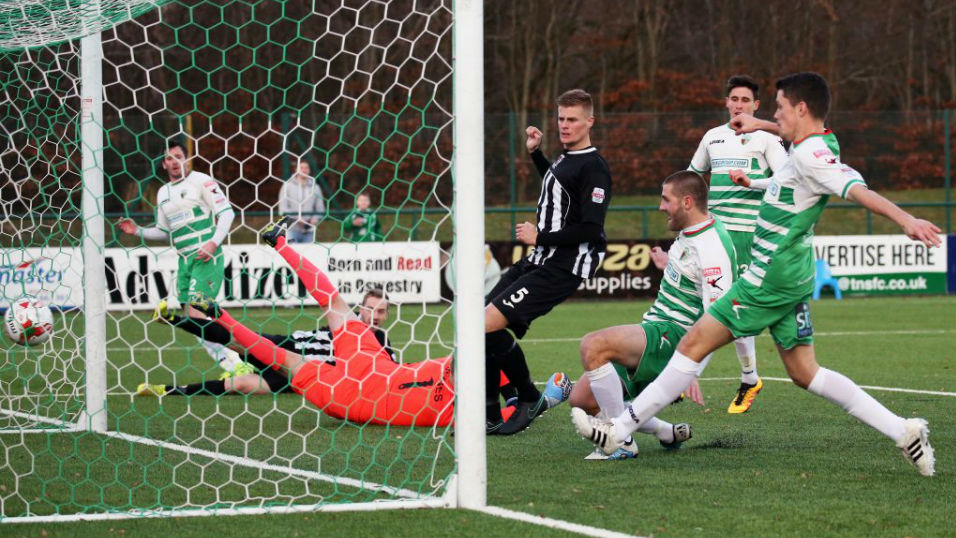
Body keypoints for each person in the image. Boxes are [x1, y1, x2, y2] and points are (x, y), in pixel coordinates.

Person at [573, 73, 940, 476]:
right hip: (791, 277)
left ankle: (619, 430)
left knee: (693, 344)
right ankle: (904, 431)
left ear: (800, 109)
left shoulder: (810, 156)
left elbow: (854, 187)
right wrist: (761, 124)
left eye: (779, 108)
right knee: (805, 373)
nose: (774, 114)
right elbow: (808, 147)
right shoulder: (815, 142)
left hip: (768, 277)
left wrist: (906, 220)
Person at [178, 216, 571, 427]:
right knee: (275, 356)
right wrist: (552, 394)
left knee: (277, 354)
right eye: (375, 310)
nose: (377, 315)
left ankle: (216, 310)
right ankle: (531, 397)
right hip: (391, 389)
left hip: (376, 384)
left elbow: (284, 343)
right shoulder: (458, 404)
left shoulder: (362, 367)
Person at [570, 171, 737, 459]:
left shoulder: (712, 247)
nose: (660, 207)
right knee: (581, 399)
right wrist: (667, 265)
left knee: (593, 345)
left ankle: (620, 442)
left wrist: (690, 366)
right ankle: (666, 432)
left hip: (674, 336)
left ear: (686, 202)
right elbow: (694, 279)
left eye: (665, 199)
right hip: (656, 326)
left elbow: (719, 317)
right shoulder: (691, 231)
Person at [485, 88, 611, 435]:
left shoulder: (594, 167)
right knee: (476, 323)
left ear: (590, 121)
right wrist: (537, 154)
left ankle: (527, 398)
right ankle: (492, 412)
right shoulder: (564, 159)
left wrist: (540, 236)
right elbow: (559, 187)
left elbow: (590, 227)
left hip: (562, 266)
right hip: (539, 258)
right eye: (560, 118)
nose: (565, 125)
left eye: (572, 119)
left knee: (484, 326)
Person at [688, 75, 789, 414]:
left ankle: (736, 377)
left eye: (746, 100)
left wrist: (753, 182)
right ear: (727, 102)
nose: (739, 105)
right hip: (713, 234)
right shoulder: (713, 137)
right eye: (734, 99)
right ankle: (743, 378)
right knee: (709, 304)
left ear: (756, 106)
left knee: (730, 308)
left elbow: (789, 179)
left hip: (746, 236)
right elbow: (692, 179)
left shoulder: (766, 139)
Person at [118, 139, 242, 373]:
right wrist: (138, 231)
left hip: (206, 258)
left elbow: (227, 213)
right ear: (163, 164)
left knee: (197, 315)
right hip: (185, 261)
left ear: (186, 159)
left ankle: (237, 364)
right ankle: (234, 361)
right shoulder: (163, 193)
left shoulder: (202, 181)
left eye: (178, 156)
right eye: (168, 158)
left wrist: (213, 243)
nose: (174, 162)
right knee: (193, 319)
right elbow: (164, 231)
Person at [136, 288, 396, 397]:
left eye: (382, 311)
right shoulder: (347, 324)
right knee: (236, 340)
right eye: (371, 309)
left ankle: (167, 390)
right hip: (290, 348)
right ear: (360, 309)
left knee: (240, 384)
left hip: (302, 377)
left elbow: (390, 374)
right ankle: (173, 319)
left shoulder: (381, 340)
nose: (375, 316)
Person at [278, 160, 325, 243]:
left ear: (309, 170)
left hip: (309, 230)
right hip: (292, 229)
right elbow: (282, 208)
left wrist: (315, 218)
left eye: (306, 168)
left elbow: (320, 208)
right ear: (296, 169)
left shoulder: (315, 187)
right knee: (292, 254)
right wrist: (297, 218)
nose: (304, 170)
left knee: (308, 255)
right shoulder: (287, 186)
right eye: (301, 167)